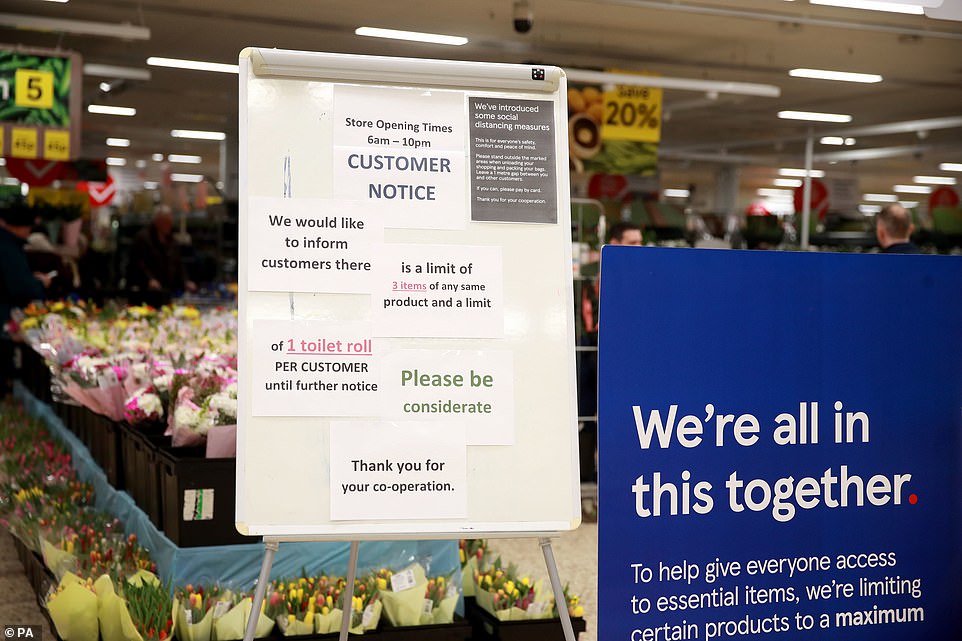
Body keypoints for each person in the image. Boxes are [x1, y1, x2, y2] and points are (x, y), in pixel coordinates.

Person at [576, 221, 643, 496]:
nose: (639, 248)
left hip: (627, 355)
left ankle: (618, 480)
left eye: (640, 242)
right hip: (589, 352)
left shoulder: (642, 274)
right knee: (586, 416)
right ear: (614, 243)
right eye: (632, 242)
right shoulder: (591, 275)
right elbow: (583, 315)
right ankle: (584, 479)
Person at [0, 200, 51, 398]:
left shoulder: (7, 243)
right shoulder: (7, 247)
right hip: (4, 319)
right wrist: (39, 284)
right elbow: (20, 287)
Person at [126, 207, 196, 306]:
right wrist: (149, 279)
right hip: (146, 292)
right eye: (166, 222)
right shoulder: (143, 238)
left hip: (167, 290)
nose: (169, 225)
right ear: (157, 221)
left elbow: (177, 263)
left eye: (170, 222)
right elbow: (138, 263)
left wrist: (185, 281)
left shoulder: (171, 240)